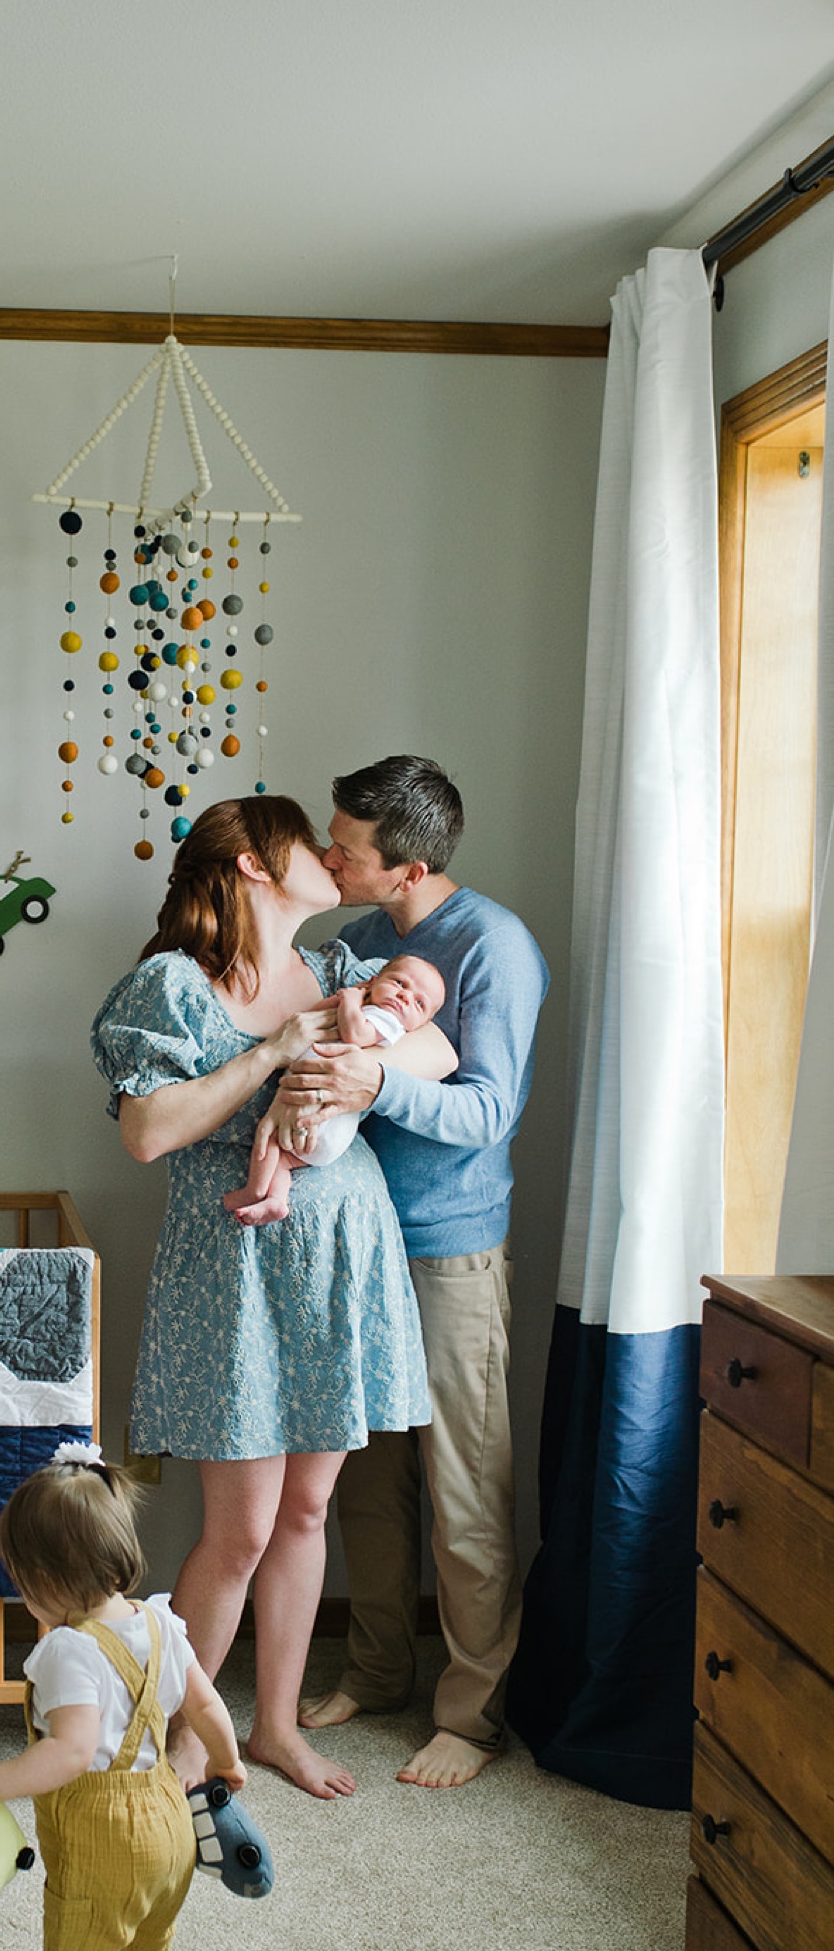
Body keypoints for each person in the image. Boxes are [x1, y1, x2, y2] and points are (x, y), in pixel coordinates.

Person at [89, 795, 454, 1801]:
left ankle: (278, 1726)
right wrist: (270, 1050)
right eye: (309, 843)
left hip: (342, 1249)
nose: (332, 858)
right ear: (254, 864)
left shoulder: (340, 969)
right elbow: (147, 1131)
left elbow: (439, 1051)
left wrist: (357, 1060)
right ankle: (187, 1746)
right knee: (240, 1530)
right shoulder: (172, 985)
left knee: (308, 1513)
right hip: (234, 1273)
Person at [277, 757, 549, 1790]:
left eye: (345, 846)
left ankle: (472, 1715)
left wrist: (379, 1080)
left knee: (464, 1482)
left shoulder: (492, 947)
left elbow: (490, 1111)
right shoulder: (356, 940)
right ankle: (381, 1669)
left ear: (409, 863)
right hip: (361, 1241)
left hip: (451, 1245)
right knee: (367, 1476)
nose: (328, 855)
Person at [0, 1443, 243, 1951]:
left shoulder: (65, 1650)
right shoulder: (163, 1622)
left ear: (45, 1579)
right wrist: (227, 1763)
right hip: (170, 1810)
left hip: (104, 1833)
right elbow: (205, 1707)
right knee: (152, 1919)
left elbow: (71, 1752)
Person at [224, 954, 448, 1226]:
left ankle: (254, 1189)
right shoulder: (364, 1009)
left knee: (268, 1134)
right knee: (283, 1160)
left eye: (419, 1003)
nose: (404, 997)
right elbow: (309, 1020)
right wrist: (338, 1002)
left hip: (322, 1117)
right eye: (400, 983)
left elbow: (356, 1033)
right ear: (373, 981)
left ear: (419, 1025)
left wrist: (351, 1000)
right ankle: (276, 1200)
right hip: (328, 1135)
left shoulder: (387, 1022)